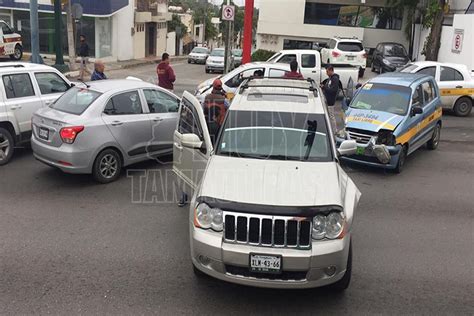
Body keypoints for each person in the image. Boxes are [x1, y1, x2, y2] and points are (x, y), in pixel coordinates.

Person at [320, 65, 341, 133]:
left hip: (331, 100)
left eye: (327, 71)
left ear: (331, 70)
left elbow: (333, 90)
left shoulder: (335, 79)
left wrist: (324, 88)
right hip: (327, 99)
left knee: (331, 116)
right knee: (329, 115)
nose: (326, 73)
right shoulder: (330, 78)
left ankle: (334, 131)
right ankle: (330, 129)